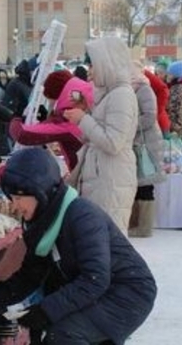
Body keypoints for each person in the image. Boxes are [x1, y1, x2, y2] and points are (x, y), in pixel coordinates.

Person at [0, 147, 157, 345]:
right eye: (12, 198)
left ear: (40, 191)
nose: (15, 206)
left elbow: (95, 279)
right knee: (48, 330)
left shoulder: (82, 216)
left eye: (19, 198)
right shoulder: (43, 220)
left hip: (128, 293)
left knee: (64, 333)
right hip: (99, 289)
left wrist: (46, 311)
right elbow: (31, 274)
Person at [64, 37, 138, 235]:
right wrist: (85, 113)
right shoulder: (110, 93)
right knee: (97, 241)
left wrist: (83, 120)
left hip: (111, 179)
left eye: (92, 64)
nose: (89, 70)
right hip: (103, 177)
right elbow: (101, 133)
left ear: (107, 63)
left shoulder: (121, 95)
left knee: (107, 241)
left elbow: (113, 142)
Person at [9, 76, 93, 171]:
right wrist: (46, 120)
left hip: (79, 176)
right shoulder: (89, 109)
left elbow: (23, 134)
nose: (50, 103)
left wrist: (16, 118)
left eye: (49, 98)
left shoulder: (68, 118)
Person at [129, 62, 165, 238]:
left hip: (146, 143)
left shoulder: (144, 89)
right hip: (138, 142)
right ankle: (135, 223)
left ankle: (144, 227)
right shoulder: (132, 88)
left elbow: (150, 116)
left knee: (145, 183)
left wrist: (129, 126)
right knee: (137, 183)